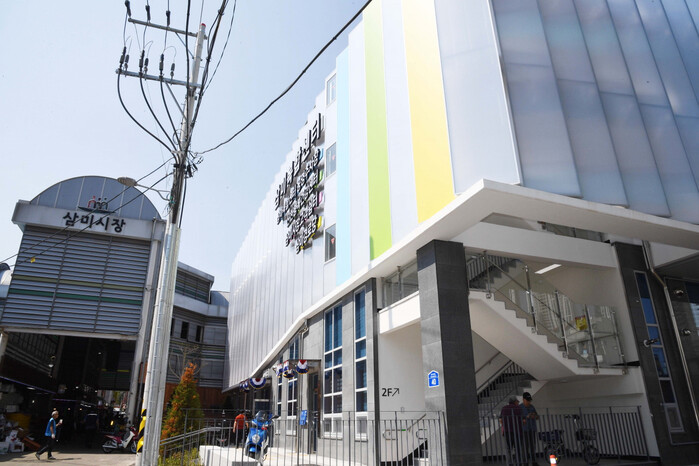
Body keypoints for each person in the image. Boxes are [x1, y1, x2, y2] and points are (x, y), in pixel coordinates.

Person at [500, 397, 524, 466]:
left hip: (507, 432)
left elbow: (501, 419)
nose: (518, 403)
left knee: (508, 449)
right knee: (518, 449)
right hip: (517, 432)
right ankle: (518, 463)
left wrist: (505, 425)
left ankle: (509, 463)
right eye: (517, 402)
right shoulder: (518, 408)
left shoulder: (504, 408)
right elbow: (523, 420)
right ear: (515, 402)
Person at [521, 392, 540, 466]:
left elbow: (537, 416)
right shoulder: (520, 408)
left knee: (533, 446)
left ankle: (534, 461)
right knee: (525, 446)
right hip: (524, 430)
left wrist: (534, 416)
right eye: (527, 400)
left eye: (529, 400)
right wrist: (526, 417)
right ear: (523, 400)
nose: (529, 402)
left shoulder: (532, 407)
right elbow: (518, 418)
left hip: (532, 429)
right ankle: (525, 462)